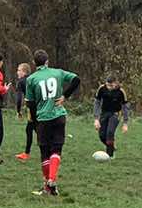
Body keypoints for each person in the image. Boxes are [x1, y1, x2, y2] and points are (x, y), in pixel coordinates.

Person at [26, 50, 81, 196]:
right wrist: (65, 96)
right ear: (47, 61)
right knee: (56, 150)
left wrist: (35, 121)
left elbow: (30, 103)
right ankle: (51, 182)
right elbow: (76, 79)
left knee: (45, 152)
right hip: (59, 116)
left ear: (34, 63)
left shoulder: (31, 79)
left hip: (43, 118)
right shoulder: (58, 72)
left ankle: (47, 184)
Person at [92, 76, 130, 157]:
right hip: (104, 113)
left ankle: (110, 156)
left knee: (110, 132)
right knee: (102, 135)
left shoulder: (121, 91)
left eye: (111, 86)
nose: (109, 87)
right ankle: (111, 146)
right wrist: (96, 118)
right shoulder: (101, 89)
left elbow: (125, 107)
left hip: (116, 113)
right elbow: (97, 102)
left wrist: (125, 123)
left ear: (116, 83)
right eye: (108, 85)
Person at [14, 61, 36, 160]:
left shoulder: (21, 82)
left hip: (32, 107)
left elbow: (19, 98)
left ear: (24, 72)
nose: (17, 72)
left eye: (19, 70)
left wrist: (18, 111)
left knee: (32, 129)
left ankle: (27, 153)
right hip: (42, 106)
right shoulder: (34, 79)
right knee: (33, 128)